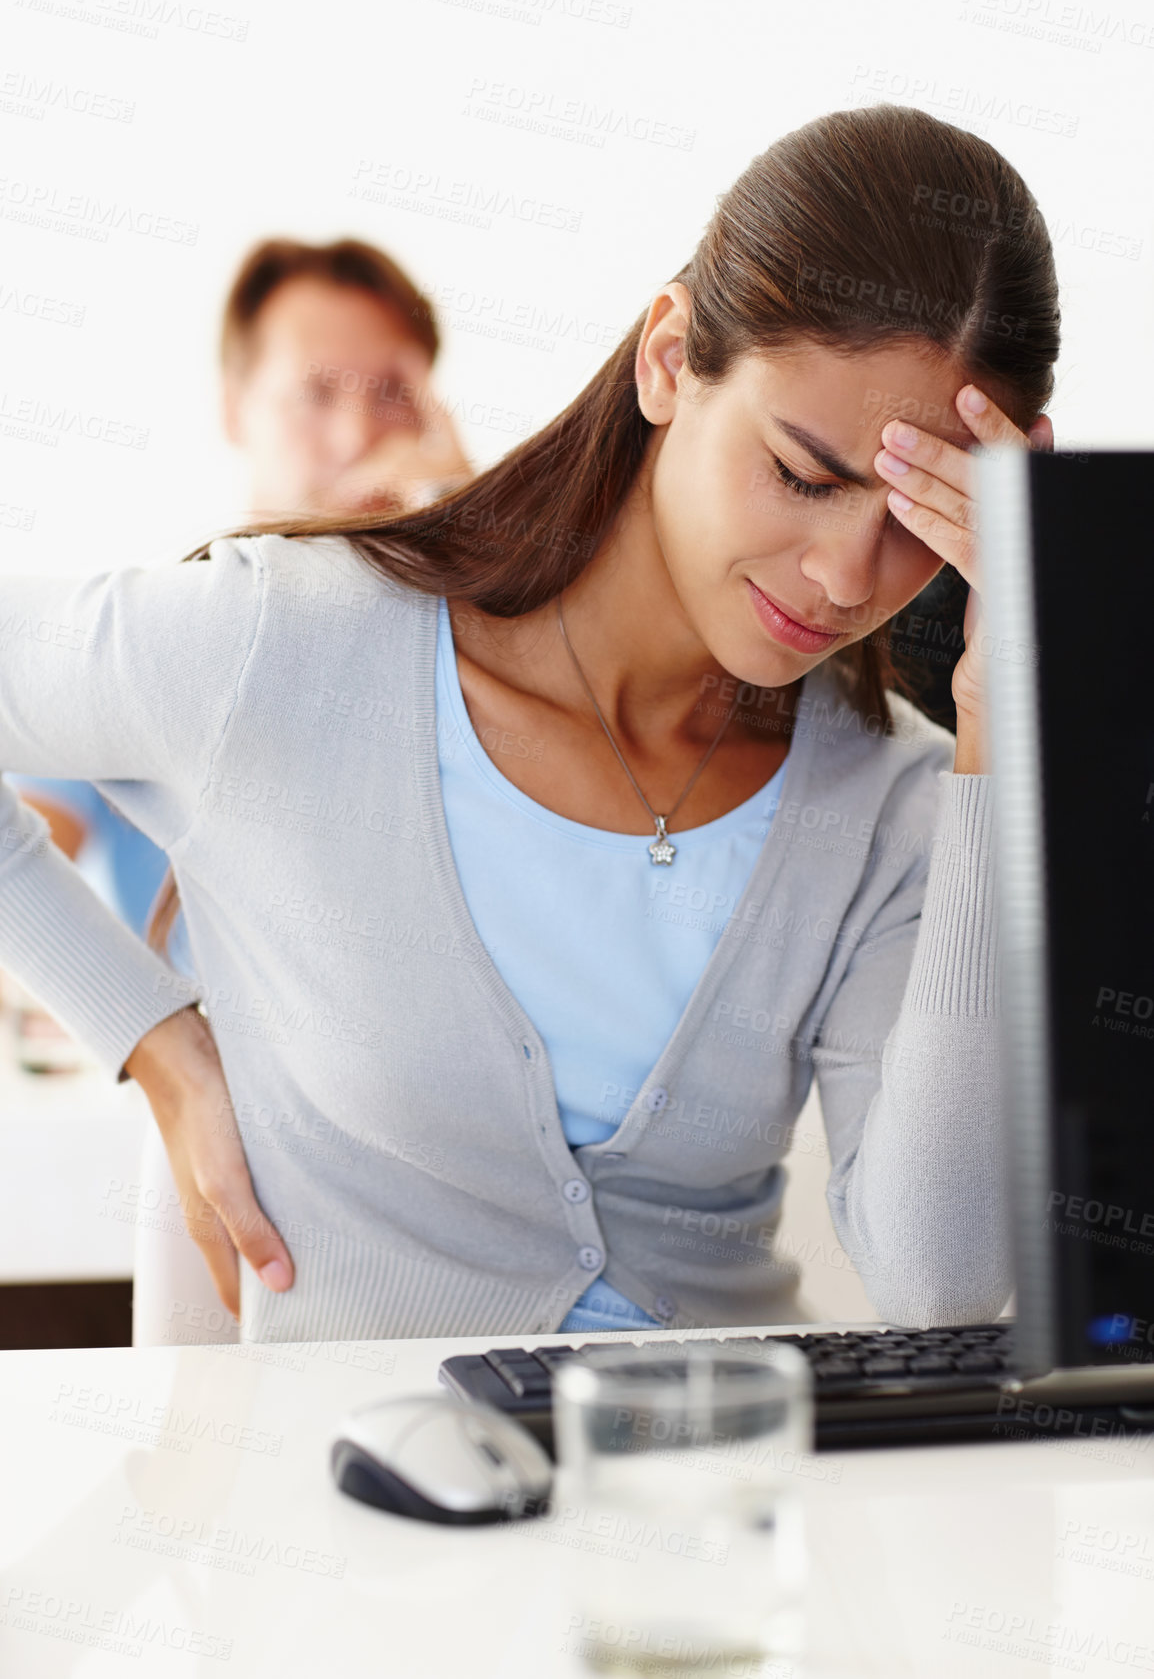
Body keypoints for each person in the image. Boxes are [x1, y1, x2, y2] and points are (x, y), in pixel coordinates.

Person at [0, 105, 1059, 1343]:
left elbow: (937, 1283)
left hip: (723, 1504)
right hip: (349, 1510)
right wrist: (152, 1038)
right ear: (669, 357)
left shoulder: (899, 802)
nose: (842, 576)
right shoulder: (287, 645)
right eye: (804, 475)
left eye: (917, 524)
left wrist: (1004, 731)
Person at [5, 237, 470, 1069]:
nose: (359, 433)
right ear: (234, 408)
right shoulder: (150, 640)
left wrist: (476, 538)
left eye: (395, 393)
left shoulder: (484, 646)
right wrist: (152, 1040)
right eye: (316, 393)